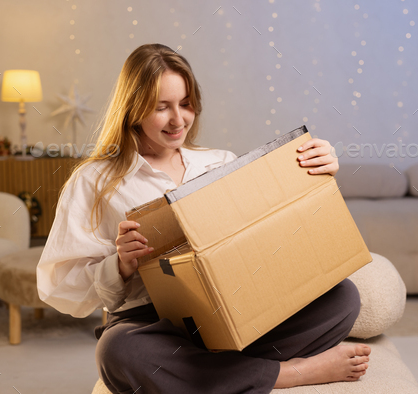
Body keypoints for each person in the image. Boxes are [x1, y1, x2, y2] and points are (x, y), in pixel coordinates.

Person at [37, 43, 370, 394]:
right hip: (151, 322)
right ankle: (289, 374)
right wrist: (119, 265)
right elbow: (59, 288)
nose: (178, 119)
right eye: (161, 107)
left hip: (236, 307)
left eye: (185, 103)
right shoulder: (94, 181)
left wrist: (317, 168)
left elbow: (273, 225)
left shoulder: (220, 163)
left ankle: (214, 375)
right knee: (117, 352)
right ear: (132, 109)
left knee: (343, 297)